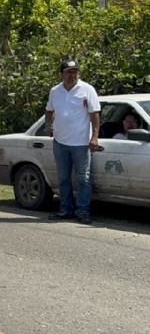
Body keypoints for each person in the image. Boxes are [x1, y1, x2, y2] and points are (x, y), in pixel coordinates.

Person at [45, 60, 100, 224]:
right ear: (62, 74)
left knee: (83, 178)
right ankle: (66, 209)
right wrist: (48, 126)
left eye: (75, 71)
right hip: (60, 142)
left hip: (81, 143)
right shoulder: (55, 91)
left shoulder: (87, 89)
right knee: (63, 178)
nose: (72, 75)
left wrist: (95, 136)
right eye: (69, 72)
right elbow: (49, 110)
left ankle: (82, 211)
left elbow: (95, 114)